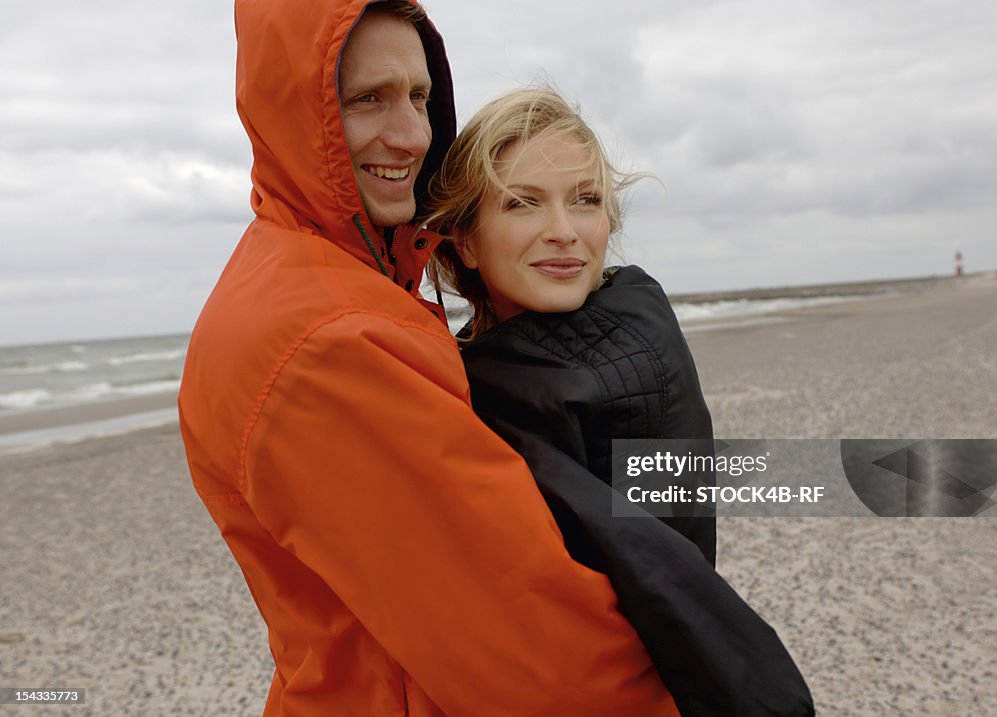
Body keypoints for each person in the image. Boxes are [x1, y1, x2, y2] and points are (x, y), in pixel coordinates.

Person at [179, 1, 685, 715]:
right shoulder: (328, 338)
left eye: (419, 97)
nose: (412, 134)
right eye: (367, 100)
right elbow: (539, 656)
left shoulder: (325, 280)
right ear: (297, 111)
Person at [426, 88, 815, 715]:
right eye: (524, 203)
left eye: (585, 200)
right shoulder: (454, 374)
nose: (564, 232)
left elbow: (664, 567)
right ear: (466, 240)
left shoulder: (625, 349)